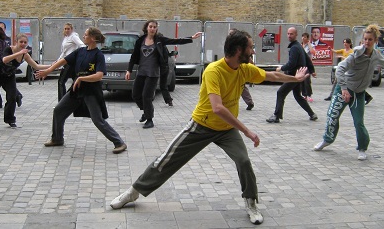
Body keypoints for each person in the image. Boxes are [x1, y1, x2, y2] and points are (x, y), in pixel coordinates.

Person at [109, 30, 310, 225]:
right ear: (239, 50)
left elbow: (271, 77)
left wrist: (296, 79)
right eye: (250, 47)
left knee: (243, 161)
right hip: (202, 125)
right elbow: (217, 108)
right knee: (166, 160)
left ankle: (251, 202)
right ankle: (133, 192)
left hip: (226, 129)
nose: (253, 51)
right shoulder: (213, 70)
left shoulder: (244, 69)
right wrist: (247, 131)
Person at [313, 24, 384, 160]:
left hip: (359, 93)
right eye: (365, 39)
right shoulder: (356, 53)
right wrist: (344, 89)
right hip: (344, 89)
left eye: (370, 40)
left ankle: (362, 148)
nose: (367, 42)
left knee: (358, 122)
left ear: (375, 41)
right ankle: (327, 139)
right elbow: (340, 69)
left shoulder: (376, 55)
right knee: (332, 115)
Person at [36, 27, 128, 154]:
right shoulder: (80, 51)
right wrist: (47, 71)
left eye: (85, 35)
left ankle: (119, 142)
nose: (83, 37)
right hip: (76, 89)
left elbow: (99, 75)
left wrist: (82, 78)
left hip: (91, 91)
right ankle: (57, 138)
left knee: (97, 120)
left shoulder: (98, 55)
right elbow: (63, 61)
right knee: (58, 111)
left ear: (93, 38)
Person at [126, 20, 202, 129]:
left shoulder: (159, 41)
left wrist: (191, 37)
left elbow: (175, 41)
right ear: (146, 28)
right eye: (150, 26)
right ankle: (146, 112)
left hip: (153, 74)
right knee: (135, 95)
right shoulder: (140, 41)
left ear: (156, 29)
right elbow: (134, 57)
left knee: (146, 96)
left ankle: (149, 120)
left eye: (154, 27)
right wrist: (129, 70)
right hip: (141, 72)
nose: (152, 29)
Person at [266, 27, 318, 123]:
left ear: (296, 35)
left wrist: (281, 68)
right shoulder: (298, 46)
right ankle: (312, 114)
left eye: (292, 34)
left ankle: (276, 116)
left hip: (294, 76)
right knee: (297, 95)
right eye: (288, 34)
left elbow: (292, 64)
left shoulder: (295, 47)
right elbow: (307, 59)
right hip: (298, 76)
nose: (289, 35)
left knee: (280, 92)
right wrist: (311, 70)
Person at [0, 21, 23, 109]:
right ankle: (15, 96)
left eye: (1, 28)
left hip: (2, 65)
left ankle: (14, 97)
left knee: (1, 85)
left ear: (4, 29)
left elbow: (3, 55)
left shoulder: (5, 41)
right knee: (1, 85)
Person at [56, 23, 84, 101]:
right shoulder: (66, 38)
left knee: (61, 82)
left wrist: (77, 56)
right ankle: (78, 99)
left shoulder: (74, 36)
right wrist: (58, 61)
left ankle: (61, 102)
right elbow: (64, 52)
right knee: (76, 82)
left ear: (72, 29)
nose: (67, 30)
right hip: (66, 61)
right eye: (65, 29)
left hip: (70, 62)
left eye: (68, 29)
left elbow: (82, 46)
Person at [300, 32, 316, 102]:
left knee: (307, 80)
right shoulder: (300, 45)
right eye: (302, 36)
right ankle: (304, 95)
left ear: (308, 38)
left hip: (307, 64)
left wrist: (309, 44)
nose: (303, 38)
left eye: (305, 37)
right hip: (301, 64)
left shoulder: (311, 45)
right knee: (301, 80)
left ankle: (309, 94)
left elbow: (313, 52)